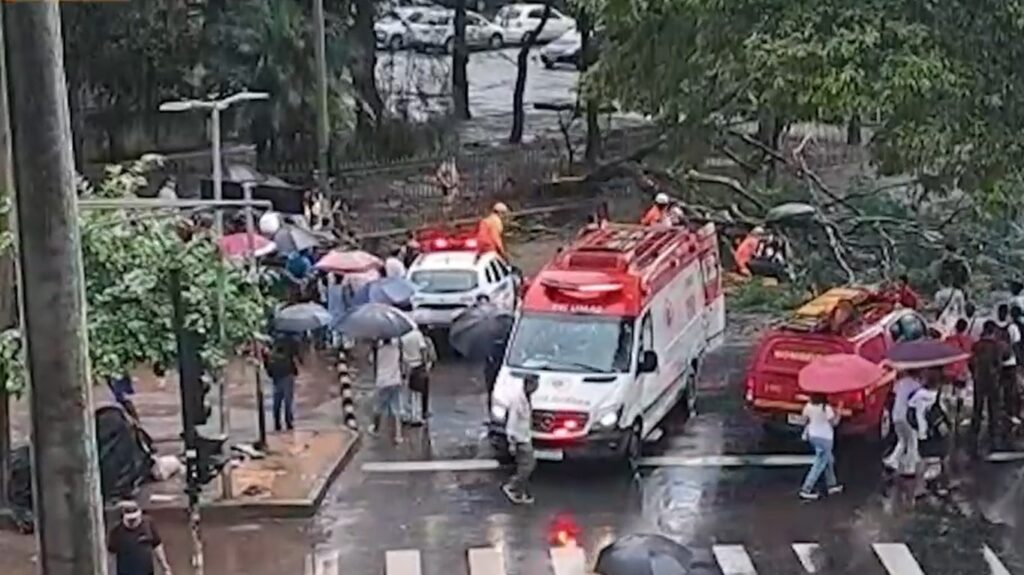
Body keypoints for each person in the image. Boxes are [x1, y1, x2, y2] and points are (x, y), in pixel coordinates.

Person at [106, 500, 172, 575]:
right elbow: (110, 555)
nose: (132, 522)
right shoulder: (116, 531)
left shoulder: (148, 524)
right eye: (129, 520)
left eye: (135, 519)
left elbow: (157, 546)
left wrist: (165, 567)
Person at [502, 373, 540, 504]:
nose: (536, 388)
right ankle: (512, 486)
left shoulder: (527, 397)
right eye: (535, 384)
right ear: (528, 384)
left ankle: (521, 492)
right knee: (528, 465)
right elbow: (512, 422)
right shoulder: (517, 400)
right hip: (519, 438)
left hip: (525, 436)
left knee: (524, 466)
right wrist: (511, 442)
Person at [971, 321, 1008, 453]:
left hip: (979, 380)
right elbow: (1000, 362)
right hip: (993, 381)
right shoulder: (996, 346)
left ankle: (974, 433)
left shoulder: (976, 345)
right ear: (993, 331)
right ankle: (994, 436)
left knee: (978, 407)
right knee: (994, 408)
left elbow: (971, 362)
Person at [798, 393, 842, 500]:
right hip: (825, 438)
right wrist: (839, 410)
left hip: (813, 437)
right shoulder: (826, 408)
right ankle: (806, 489)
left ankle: (832, 484)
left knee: (828, 460)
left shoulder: (808, 406)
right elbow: (835, 422)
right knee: (819, 464)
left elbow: (804, 420)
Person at [884, 370, 925, 476]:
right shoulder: (916, 386)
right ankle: (910, 467)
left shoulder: (900, 383)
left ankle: (893, 460)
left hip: (896, 415)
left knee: (902, 440)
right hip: (908, 417)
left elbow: (894, 392)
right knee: (912, 441)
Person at [371, 337, 405, 444]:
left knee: (378, 407)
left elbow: (371, 361)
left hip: (382, 381)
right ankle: (398, 435)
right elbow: (401, 362)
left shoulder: (379, 351)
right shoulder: (396, 349)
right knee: (396, 409)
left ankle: (376, 429)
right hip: (395, 381)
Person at [401, 324, 436, 422]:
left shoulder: (403, 337)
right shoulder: (419, 336)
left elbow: (401, 352)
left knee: (408, 392)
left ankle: (407, 415)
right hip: (418, 365)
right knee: (419, 393)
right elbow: (424, 351)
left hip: (407, 366)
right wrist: (425, 364)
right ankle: (417, 415)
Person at [265, 336, 300, 431]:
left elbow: (269, 372)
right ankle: (288, 422)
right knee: (288, 403)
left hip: (277, 381)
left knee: (277, 403)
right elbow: (295, 371)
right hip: (287, 379)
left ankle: (277, 423)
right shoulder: (287, 356)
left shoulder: (271, 357)